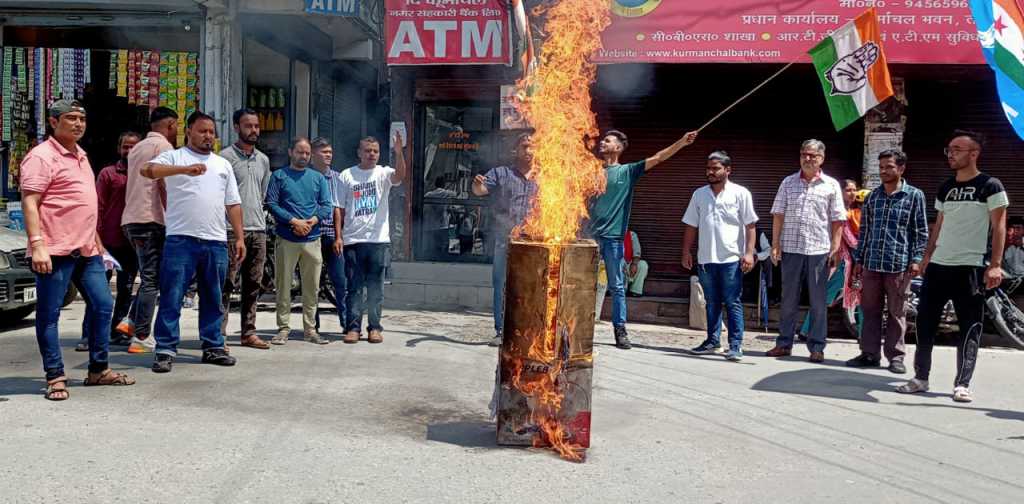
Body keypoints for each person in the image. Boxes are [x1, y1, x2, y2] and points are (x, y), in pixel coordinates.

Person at [20, 99, 135, 400]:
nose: (78, 124)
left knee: (102, 305)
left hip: (87, 250)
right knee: (49, 315)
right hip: (54, 250)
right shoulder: (41, 157)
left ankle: (98, 369)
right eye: (70, 118)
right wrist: (37, 245)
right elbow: (30, 202)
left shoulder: (82, 156)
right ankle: (55, 375)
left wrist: (97, 243)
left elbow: (84, 206)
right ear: (53, 122)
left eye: (82, 118)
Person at [897, 130, 1009, 402]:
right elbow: (939, 226)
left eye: (958, 149)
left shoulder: (990, 186)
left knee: (970, 325)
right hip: (938, 266)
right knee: (924, 324)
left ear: (974, 153)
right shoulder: (946, 187)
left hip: (969, 268)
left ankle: (962, 383)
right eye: (949, 149)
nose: (951, 153)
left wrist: (994, 265)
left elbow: (999, 227)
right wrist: (925, 258)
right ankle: (921, 377)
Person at [144, 111, 246, 373]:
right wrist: (183, 170)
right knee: (172, 295)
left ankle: (213, 345)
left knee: (213, 296)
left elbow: (232, 203)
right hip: (181, 239)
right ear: (188, 131)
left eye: (211, 131)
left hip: (215, 240)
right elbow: (148, 170)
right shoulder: (175, 157)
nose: (208, 136)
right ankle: (165, 349)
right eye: (202, 131)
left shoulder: (222, 164)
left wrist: (240, 237)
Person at [589, 128, 699, 349]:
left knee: (617, 286)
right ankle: (576, 329)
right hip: (589, 237)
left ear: (618, 148)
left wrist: (681, 142)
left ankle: (620, 332)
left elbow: (658, 158)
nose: (602, 143)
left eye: (607, 141)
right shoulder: (591, 172)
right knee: (581, 285)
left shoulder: (628, 171)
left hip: (612, 238)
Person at [848, 150, 928, 374]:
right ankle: (869, 353)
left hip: (899, 265)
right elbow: (864, 231)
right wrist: (859, 260)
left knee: (897, 312)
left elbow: (920, 231)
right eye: (881, 167)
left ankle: (896, 357)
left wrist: (916, 260)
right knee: (869, 310)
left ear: (901, 169)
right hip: (872, 264)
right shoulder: (873, 196)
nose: (884, 171)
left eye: (889, 167)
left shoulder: (914, 195)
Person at [767, 139, 847, 363]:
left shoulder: (831, 185)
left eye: (812, 155)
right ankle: (784, 344)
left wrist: (835, 248)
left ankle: (817, 347)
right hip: (791, 248)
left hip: (819, 250)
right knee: (788, 298)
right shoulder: (788, 182)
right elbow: (778, 214)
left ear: (822, 158)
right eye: (804, 154)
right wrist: (775, 244)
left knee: (818, 300)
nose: (807, 158)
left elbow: (838, 220)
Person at [681, 151, 758, 362]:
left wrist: (749, 253)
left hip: (731, 258)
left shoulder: (741, 193)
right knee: (711, 301)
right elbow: (690, 225)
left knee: (732, 301)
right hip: (706, 258)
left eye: (715, 168)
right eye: (708, 168)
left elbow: (750, 225)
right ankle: (712, 341)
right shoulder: (699, 194)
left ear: (727, 170)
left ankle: (735, 345)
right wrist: (686, 251)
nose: (711, 172)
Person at [338, 133, 406, 344]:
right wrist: (338, 236)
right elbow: (339, 208)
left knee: (376, 289)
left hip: (378, 241)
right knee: (354, 288)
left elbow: (400, 176)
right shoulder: (346, 175)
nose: (372, 154)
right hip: (353, 240)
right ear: (359, 153)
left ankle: (374, 327)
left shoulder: (383, 173)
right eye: (367, 151)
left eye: (375, 151)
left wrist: (399, 153)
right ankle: (353, 328)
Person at [120, 106, 178, 354]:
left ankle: (131, 321)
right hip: (151, 220)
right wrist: (173, 215)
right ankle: (142, 336)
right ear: (170, 125)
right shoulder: (163, 147)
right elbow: (165, 186)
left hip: (131, 220)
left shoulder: (137, 148)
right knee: (152, 279)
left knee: (151, 276)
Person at [265, 137, 333, 345]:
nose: (303, 156)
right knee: (283, 285)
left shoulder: (318, 178)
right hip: (286, 237)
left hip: (312, 239)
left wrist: (311, 222)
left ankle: (310, 329)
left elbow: (326, 206)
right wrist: (293, 221)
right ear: (290, 152)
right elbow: (272, 203)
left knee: (312, 287)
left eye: (307, 153)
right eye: (299, 152)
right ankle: (283, 328)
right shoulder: (279, 176)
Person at [472, 132, 538, 347]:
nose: (528, 151)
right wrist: (476, 184)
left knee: (533, 287)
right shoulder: (501, 173)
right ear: (515, 150)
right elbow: (480, 190)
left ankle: (530, 331)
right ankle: (501, 331)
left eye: (532, 146)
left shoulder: (548, 175)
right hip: (505, 239)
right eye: (524, 146)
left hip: (535, 242)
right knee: (501, 284)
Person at [219, 108, 272, 350]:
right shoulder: (224, 158)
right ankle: (217, 335)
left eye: (256, 126)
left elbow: (262, 194)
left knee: (253, 285)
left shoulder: (263, 159)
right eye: (248, 126)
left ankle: (248, 332)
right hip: (231, 231)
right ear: (236, 127)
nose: (253, 130)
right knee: (226, 285)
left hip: (258, 229)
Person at [84, 130, 141, 351]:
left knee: (126, 291)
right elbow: (96, 205)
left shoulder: (145, 174)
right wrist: (94, 236)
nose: (130, 151)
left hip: (131, 243)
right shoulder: (108, 174)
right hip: (106, 241)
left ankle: (118, 333)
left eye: (134, 147)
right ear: (119, 149)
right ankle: (88, 334)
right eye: (126, 146)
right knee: (97, 290)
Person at [796, 179, 863, 341]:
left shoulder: (855, 214)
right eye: (848, 190)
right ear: (839, 192)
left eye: (854, 190)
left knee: (861, 299)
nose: (852, 193)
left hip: (854, 263)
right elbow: (851, 240)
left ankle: (863, 334)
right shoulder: (838, 214)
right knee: (825, 297)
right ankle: (806, 330)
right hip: (840, 263)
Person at [310, 136, 348, 336]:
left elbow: (339, 209)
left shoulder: (337, 177)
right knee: (312, 283)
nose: (328, 156)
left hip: (333, 236)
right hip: (311, 236)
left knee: (340, 280)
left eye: (330, 152)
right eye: (324, 152)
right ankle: (312, 326)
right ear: (313, 155)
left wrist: (339, 236)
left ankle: (347, 322)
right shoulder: (306, 176)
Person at [624, 229, 649, 297]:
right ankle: (621, 290)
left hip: (628, 265)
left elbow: (637, 251)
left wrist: (634, 264)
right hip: (615, 266)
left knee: (643, 265)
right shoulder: (607, 233)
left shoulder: (632, 234)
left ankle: (635, 290)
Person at [1002, 216, 1024, 283]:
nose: (1015, 231)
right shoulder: (1006, 246)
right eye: (1011, 228)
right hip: (1008, 282)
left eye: (1018, 228)